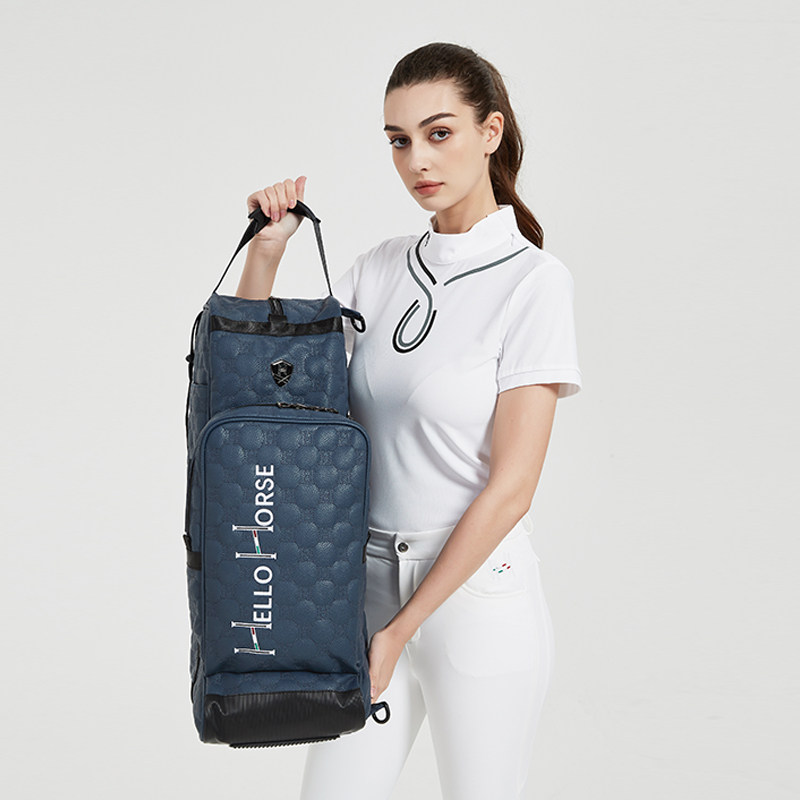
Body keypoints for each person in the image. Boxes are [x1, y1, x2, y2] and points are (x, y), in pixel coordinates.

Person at [235, 42, 582, 800]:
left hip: (476, 598)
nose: (417, 159)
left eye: (439, 132)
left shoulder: (534, 284)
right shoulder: (380, 267)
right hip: (362, 586)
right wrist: (265, 255)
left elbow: (512, 489)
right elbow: (267, 396)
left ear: (490, 131)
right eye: (398, 140)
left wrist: (401, 629)